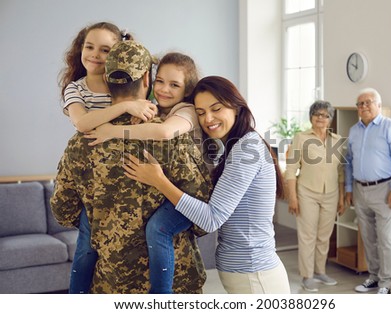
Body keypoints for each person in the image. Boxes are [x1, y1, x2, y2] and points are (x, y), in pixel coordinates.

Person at [51, 40, 213, 294]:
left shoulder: (83, 140)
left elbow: (62, 209)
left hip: (110, 281)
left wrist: (98, 219)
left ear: (106, 78)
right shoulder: (173, 136)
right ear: (148, 80)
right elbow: (201, 203)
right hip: (176, 280)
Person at [123, 76, 291, 294]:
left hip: (256, 275)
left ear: (236, 107)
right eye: (200, 112)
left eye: (216, 108)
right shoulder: (230, 147)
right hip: (247, 273)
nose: (208, 118)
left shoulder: (246, 149)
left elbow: (211, 219)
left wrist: (158, 180)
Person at [58, 21, 158, 293]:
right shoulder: (76, 89)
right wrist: (126, 104)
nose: (95, 55)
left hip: (125, 181)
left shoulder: (120, 82)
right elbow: (82, 123)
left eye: (105, 50)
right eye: (89, 47)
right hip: (93, 184)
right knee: (86, 251)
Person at [345, 88, 391, 294]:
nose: (363, 106)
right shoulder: (354, 130)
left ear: (379, 105)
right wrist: (348, 189)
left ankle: (386, 283)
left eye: (368, 102)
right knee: (367, 238)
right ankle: (373, 277)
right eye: (360, 104)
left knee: (386, 239)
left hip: (384, 190)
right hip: (360, 190)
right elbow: (348, 162)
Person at [284, 101, 345, 292]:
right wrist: (292, 198)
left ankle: (320, 271)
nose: (321, 118)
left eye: (325, 115)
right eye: (317, 114)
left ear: (330, 119)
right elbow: (291, 170)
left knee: (324, 236)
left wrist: (342, 198)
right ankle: (307, 275)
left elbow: (341, 172)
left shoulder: (337, 140)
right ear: (311, 117)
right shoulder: (301, 138)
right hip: (306, 193)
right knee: (308, 236)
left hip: (331, 193)